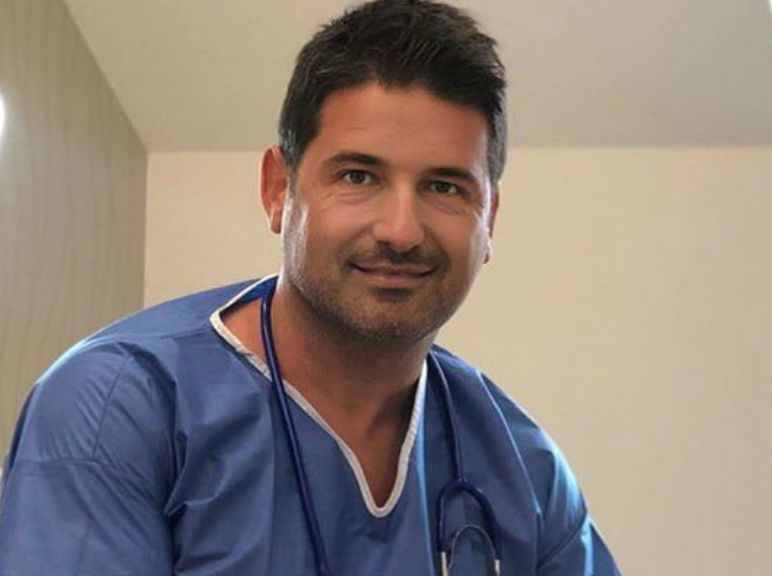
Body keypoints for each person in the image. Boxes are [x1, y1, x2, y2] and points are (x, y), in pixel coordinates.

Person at [0, 0, 620, 574]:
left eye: (445, 187)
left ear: (489, 220)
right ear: (279, 189)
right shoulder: (119, 406)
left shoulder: (526, 470)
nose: (402, 231)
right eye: (358, 176)